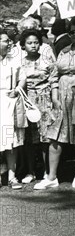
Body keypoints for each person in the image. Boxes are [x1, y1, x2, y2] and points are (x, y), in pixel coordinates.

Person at [35, 17, 75, 190]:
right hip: (61, 96)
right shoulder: (64, 51)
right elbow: (54, 75)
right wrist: (55, 95)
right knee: (56, 134)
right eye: (72, 32)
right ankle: (52, 176)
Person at [17, 29, 58, 185]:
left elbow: (54, 81)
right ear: (23, 45)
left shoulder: (47, 62)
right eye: (29, 43)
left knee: (45, 138)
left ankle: (48, 172)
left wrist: (55, 99)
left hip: (44, 100)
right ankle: (31, 171)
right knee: (28, 137)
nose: (33, 46)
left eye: (35, 42)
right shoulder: (19, 63)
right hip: (27, 101)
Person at [0, 29, 24, 189]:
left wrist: (17, 89)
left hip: (10, 103)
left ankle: (12, 176)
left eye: (9, 40)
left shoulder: (14, 60)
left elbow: (23, 78)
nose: (10, 43)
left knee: (10, 140)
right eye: (5, 40)